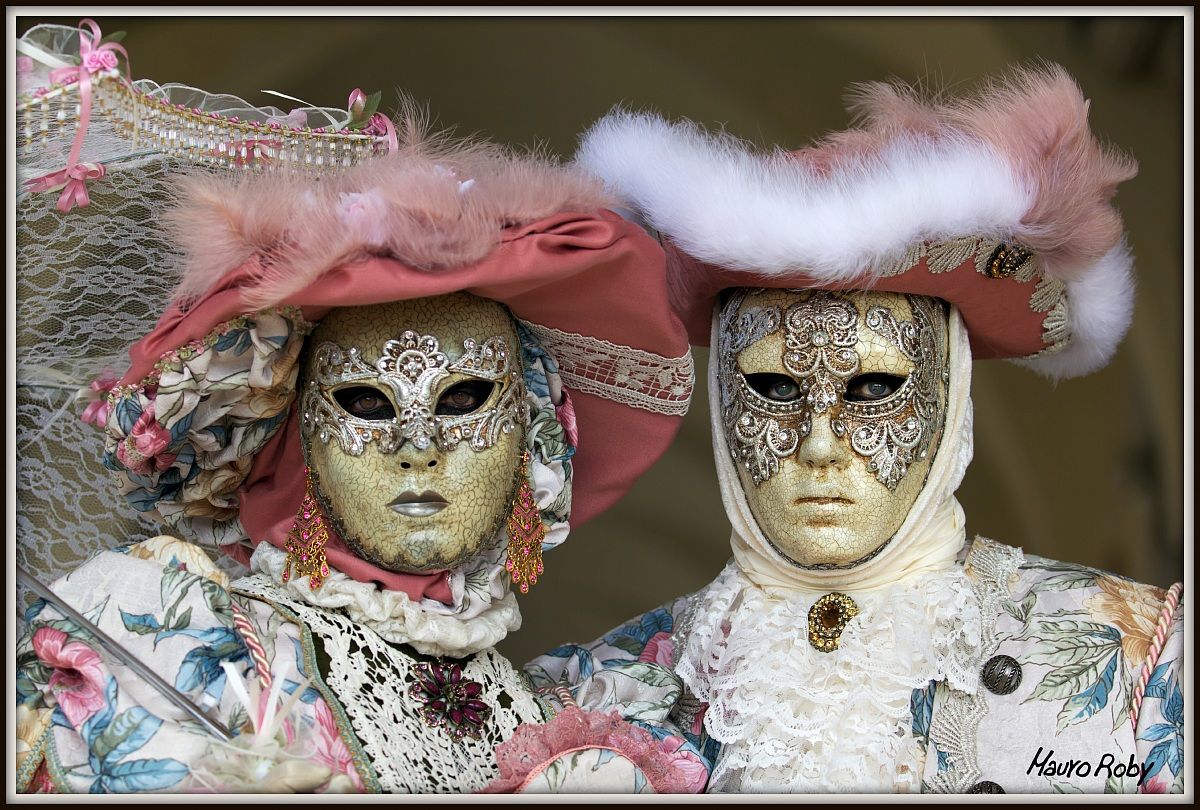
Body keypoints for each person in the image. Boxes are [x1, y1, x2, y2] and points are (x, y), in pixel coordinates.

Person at [15, 21, 702, 795]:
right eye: (366, 403)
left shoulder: (563, 721)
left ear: (534, 435)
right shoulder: (169, 646)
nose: (419, 448)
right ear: (295, 438)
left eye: (466, 399)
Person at [527, 65, 1184, 794]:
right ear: (721, 397)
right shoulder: (589, 705)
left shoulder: (1144, 667)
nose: (818, 445)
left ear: (951, 393)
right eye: (773, 388)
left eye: (874, 388)